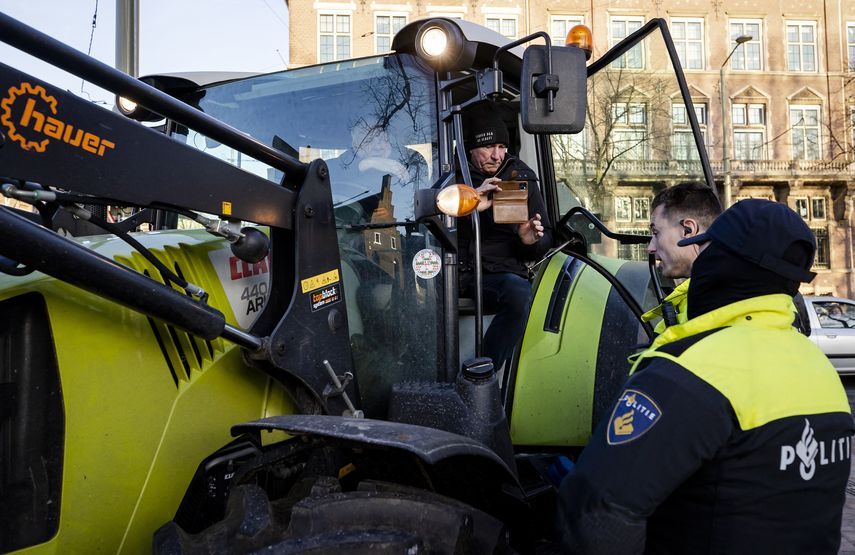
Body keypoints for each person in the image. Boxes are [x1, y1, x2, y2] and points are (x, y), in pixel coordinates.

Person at [558, 199, 855, 554]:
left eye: (705, 249)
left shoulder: (690, 368)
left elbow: (596, 510)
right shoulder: (817, 365)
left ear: (722, 261)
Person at [458, 104, 552, 369]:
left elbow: (546, 237)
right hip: (457, 272)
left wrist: (530, 240)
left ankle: (483, 374)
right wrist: (472, 201)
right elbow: (430, 220)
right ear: (470, 148)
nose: (497, 156)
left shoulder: (521, 176)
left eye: (502, 147)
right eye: (489, 147)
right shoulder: (451, 176)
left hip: (499, 275)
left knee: (519, 292)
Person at [643, 182, 722, 332]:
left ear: (688, 230)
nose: (650, 249)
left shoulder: (705, 307)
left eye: (656, 233)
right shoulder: (702, 300)